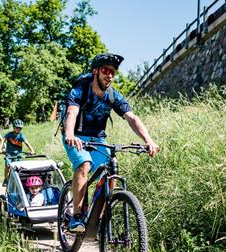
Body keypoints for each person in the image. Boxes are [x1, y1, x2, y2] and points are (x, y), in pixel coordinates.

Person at [62, 53, 159, 232]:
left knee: (111, 171)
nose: (110, 75)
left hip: (98, 139)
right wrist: (69, 133)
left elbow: (132, 118)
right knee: (84, 164)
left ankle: (96, 219)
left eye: (113, 72)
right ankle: (76, 217)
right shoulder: (81, 89)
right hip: (76, 135)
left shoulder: (113, 95)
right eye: (106, 70)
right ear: (96, 71)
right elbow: (72, 113)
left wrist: (148, 140)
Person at [0, 119, 35, 187]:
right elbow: (3, 140)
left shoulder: (21, 136)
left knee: (20, 167)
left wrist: (32, 150)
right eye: (17, 128)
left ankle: (19, 180)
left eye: (20, 128)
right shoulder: (9, 134)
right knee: (7, 166)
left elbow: (27, 143)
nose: (18, 129)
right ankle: (6, 179)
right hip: (9, 153)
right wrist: (0, 149)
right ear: (14, 127)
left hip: (18, 154)